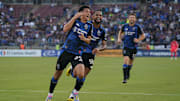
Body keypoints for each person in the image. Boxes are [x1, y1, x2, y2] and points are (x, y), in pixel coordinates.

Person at [45, 5, 92, 101]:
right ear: (81, 13)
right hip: (66, 51)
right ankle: (50, 95)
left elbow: (89, 41)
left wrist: (84, 39)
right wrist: (74, 17)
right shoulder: (75, 21)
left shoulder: (90, 26)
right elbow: (65, 29)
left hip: (77, 53)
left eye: (89, 12)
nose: (89, 13)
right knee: (57, 74)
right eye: (86, 11)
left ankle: (75, 94)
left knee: (81, 74)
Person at [66, 10, 107, 101]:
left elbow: (105, 45)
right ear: (93, 16)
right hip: (81, 51)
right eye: (97, 15)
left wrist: (99, 49)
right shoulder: (86, 25)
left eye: (100, 15)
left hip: (91, 54)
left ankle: (73, 94)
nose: (98, 17)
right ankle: (74, 92)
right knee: (78, 74)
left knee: (83, 76)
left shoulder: (102, 30)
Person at [118, 13, 145, 84]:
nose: (132, 19)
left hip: (134, 48)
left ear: (135, 19)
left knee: (130, 62)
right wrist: (119, 38)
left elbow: (143, 36)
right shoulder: (125, 26)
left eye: (133, 17)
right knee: (126, 60)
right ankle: (124, 78)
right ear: (128, 19)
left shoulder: (137, 27)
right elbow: (120, 31)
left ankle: (128, 71)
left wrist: (138, 40)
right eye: (130, 17)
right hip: (126, 46)